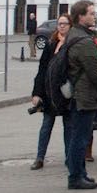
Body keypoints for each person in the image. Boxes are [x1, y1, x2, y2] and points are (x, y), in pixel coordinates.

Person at [64, 1, 97, 189]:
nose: (94, 16)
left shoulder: (75, 35)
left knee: (79, 136)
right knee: (80, 137)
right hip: (84, 95)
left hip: (78, 93)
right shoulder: (84, 41)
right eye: (90, 13)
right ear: (80, 16)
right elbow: (95, 71)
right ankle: (75, 177)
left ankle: (80, 172)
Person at [30, 13, 71, 169]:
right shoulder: (51, 44)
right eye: (60, 24)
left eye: (65, 24)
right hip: (50, 93)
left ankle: (69, 158)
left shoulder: (72, 44)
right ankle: (40, 157)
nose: (61, 26)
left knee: (68, 126)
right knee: (46, 125)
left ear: (70, 26)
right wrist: (36, 93)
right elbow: (42, 70)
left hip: (66, 92)